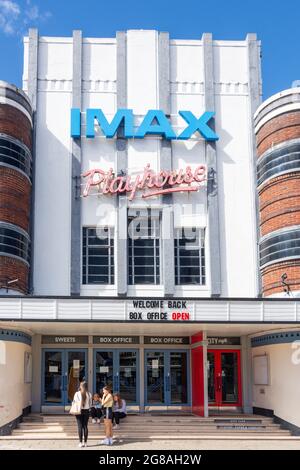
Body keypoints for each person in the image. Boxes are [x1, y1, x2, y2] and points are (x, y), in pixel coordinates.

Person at [73, 381, 92, 448]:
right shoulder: (89, 394)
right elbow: (90, 404)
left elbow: (74, 402)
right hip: (86, 411)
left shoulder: (77, 393)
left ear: (81, 386)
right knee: (85, 426)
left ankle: (80, 443)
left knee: (80, 426)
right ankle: (86, 443)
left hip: (79, 411)